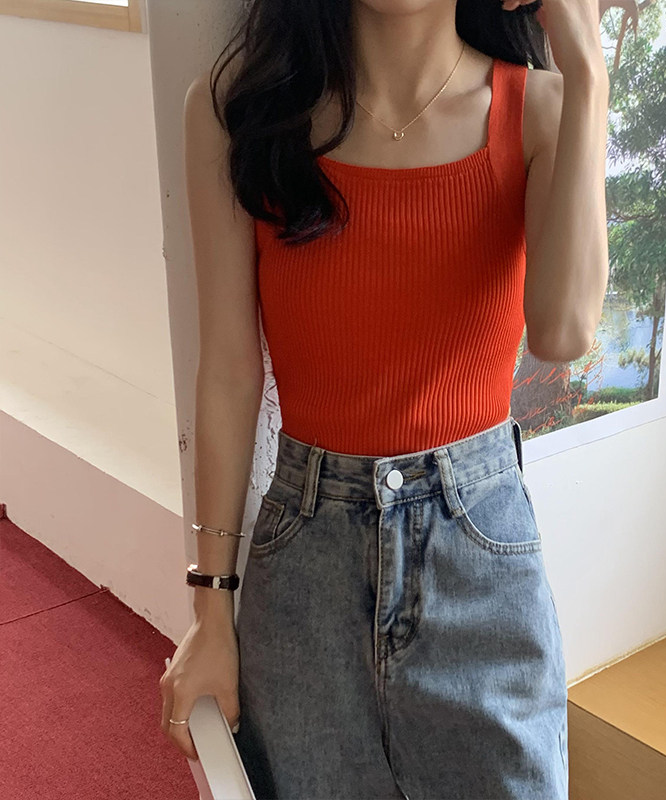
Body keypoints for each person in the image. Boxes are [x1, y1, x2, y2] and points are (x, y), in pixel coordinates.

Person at [160, 0, 609, 797]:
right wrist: (210, 613)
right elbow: (228, 371)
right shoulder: (238, 114)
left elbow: (564, 329)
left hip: (480, 567)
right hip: (303, 577)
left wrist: (587, 68)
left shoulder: (540, 109)